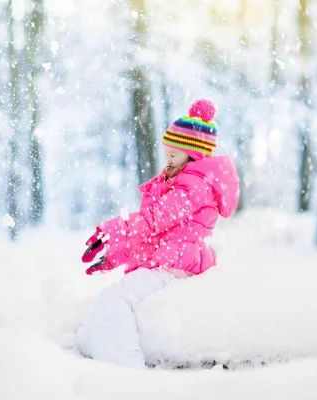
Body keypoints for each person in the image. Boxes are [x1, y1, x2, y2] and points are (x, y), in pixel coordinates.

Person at [80, 99, 239, 368]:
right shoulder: (183, 183)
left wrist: (114, 230)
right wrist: (115, 255)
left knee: (116, 299)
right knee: (115, 298)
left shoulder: (193, 187)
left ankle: (124, 375)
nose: (167, 161)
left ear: (194, 155)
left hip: (177, 265)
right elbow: (158, 236)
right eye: (167, 154)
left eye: (173, 155)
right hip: (171, 259)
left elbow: (156, 220)